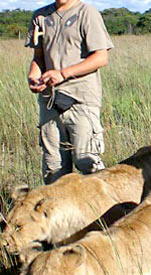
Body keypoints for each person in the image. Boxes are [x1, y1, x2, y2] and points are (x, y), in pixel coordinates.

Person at [25, 0, 114, 184]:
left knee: (88, 164)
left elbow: (101, 57)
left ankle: (106, 212)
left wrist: (63, 74)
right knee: (53, 169)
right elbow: (38, 57)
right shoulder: (40, 16)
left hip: (80, 100)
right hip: (50, 101)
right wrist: (34, 76)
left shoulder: (86, 13)